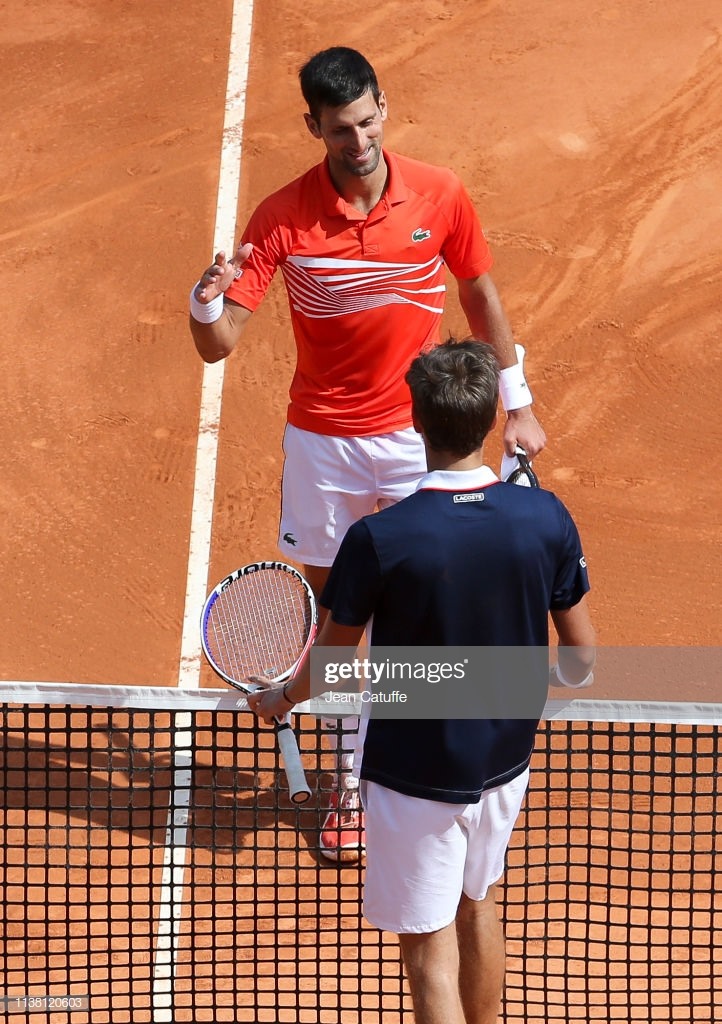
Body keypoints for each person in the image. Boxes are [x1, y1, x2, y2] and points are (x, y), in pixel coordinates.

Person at [189, 46, 546, 861]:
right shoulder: (281, 218)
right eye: (339, 130)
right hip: (322, 445)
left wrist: (517, 405)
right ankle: (352, 783)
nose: (358, 143)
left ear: (383, 107)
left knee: (419, 610)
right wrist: (203, 298)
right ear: (312, 127)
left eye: (367, 121)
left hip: (411, 438)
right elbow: (217, 346)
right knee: (335, 618)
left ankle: (375, 764)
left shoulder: (441, 193)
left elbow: (480, 294)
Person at [248, 338, 595, 1024]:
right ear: (489, 418)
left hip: (415, 772)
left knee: (425, 955)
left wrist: (280, 699)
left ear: (416, 420)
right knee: (479, 900)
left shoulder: (382, 538)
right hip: (505, 762)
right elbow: (580, 659)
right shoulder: (546, 516)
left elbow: (333, 665)